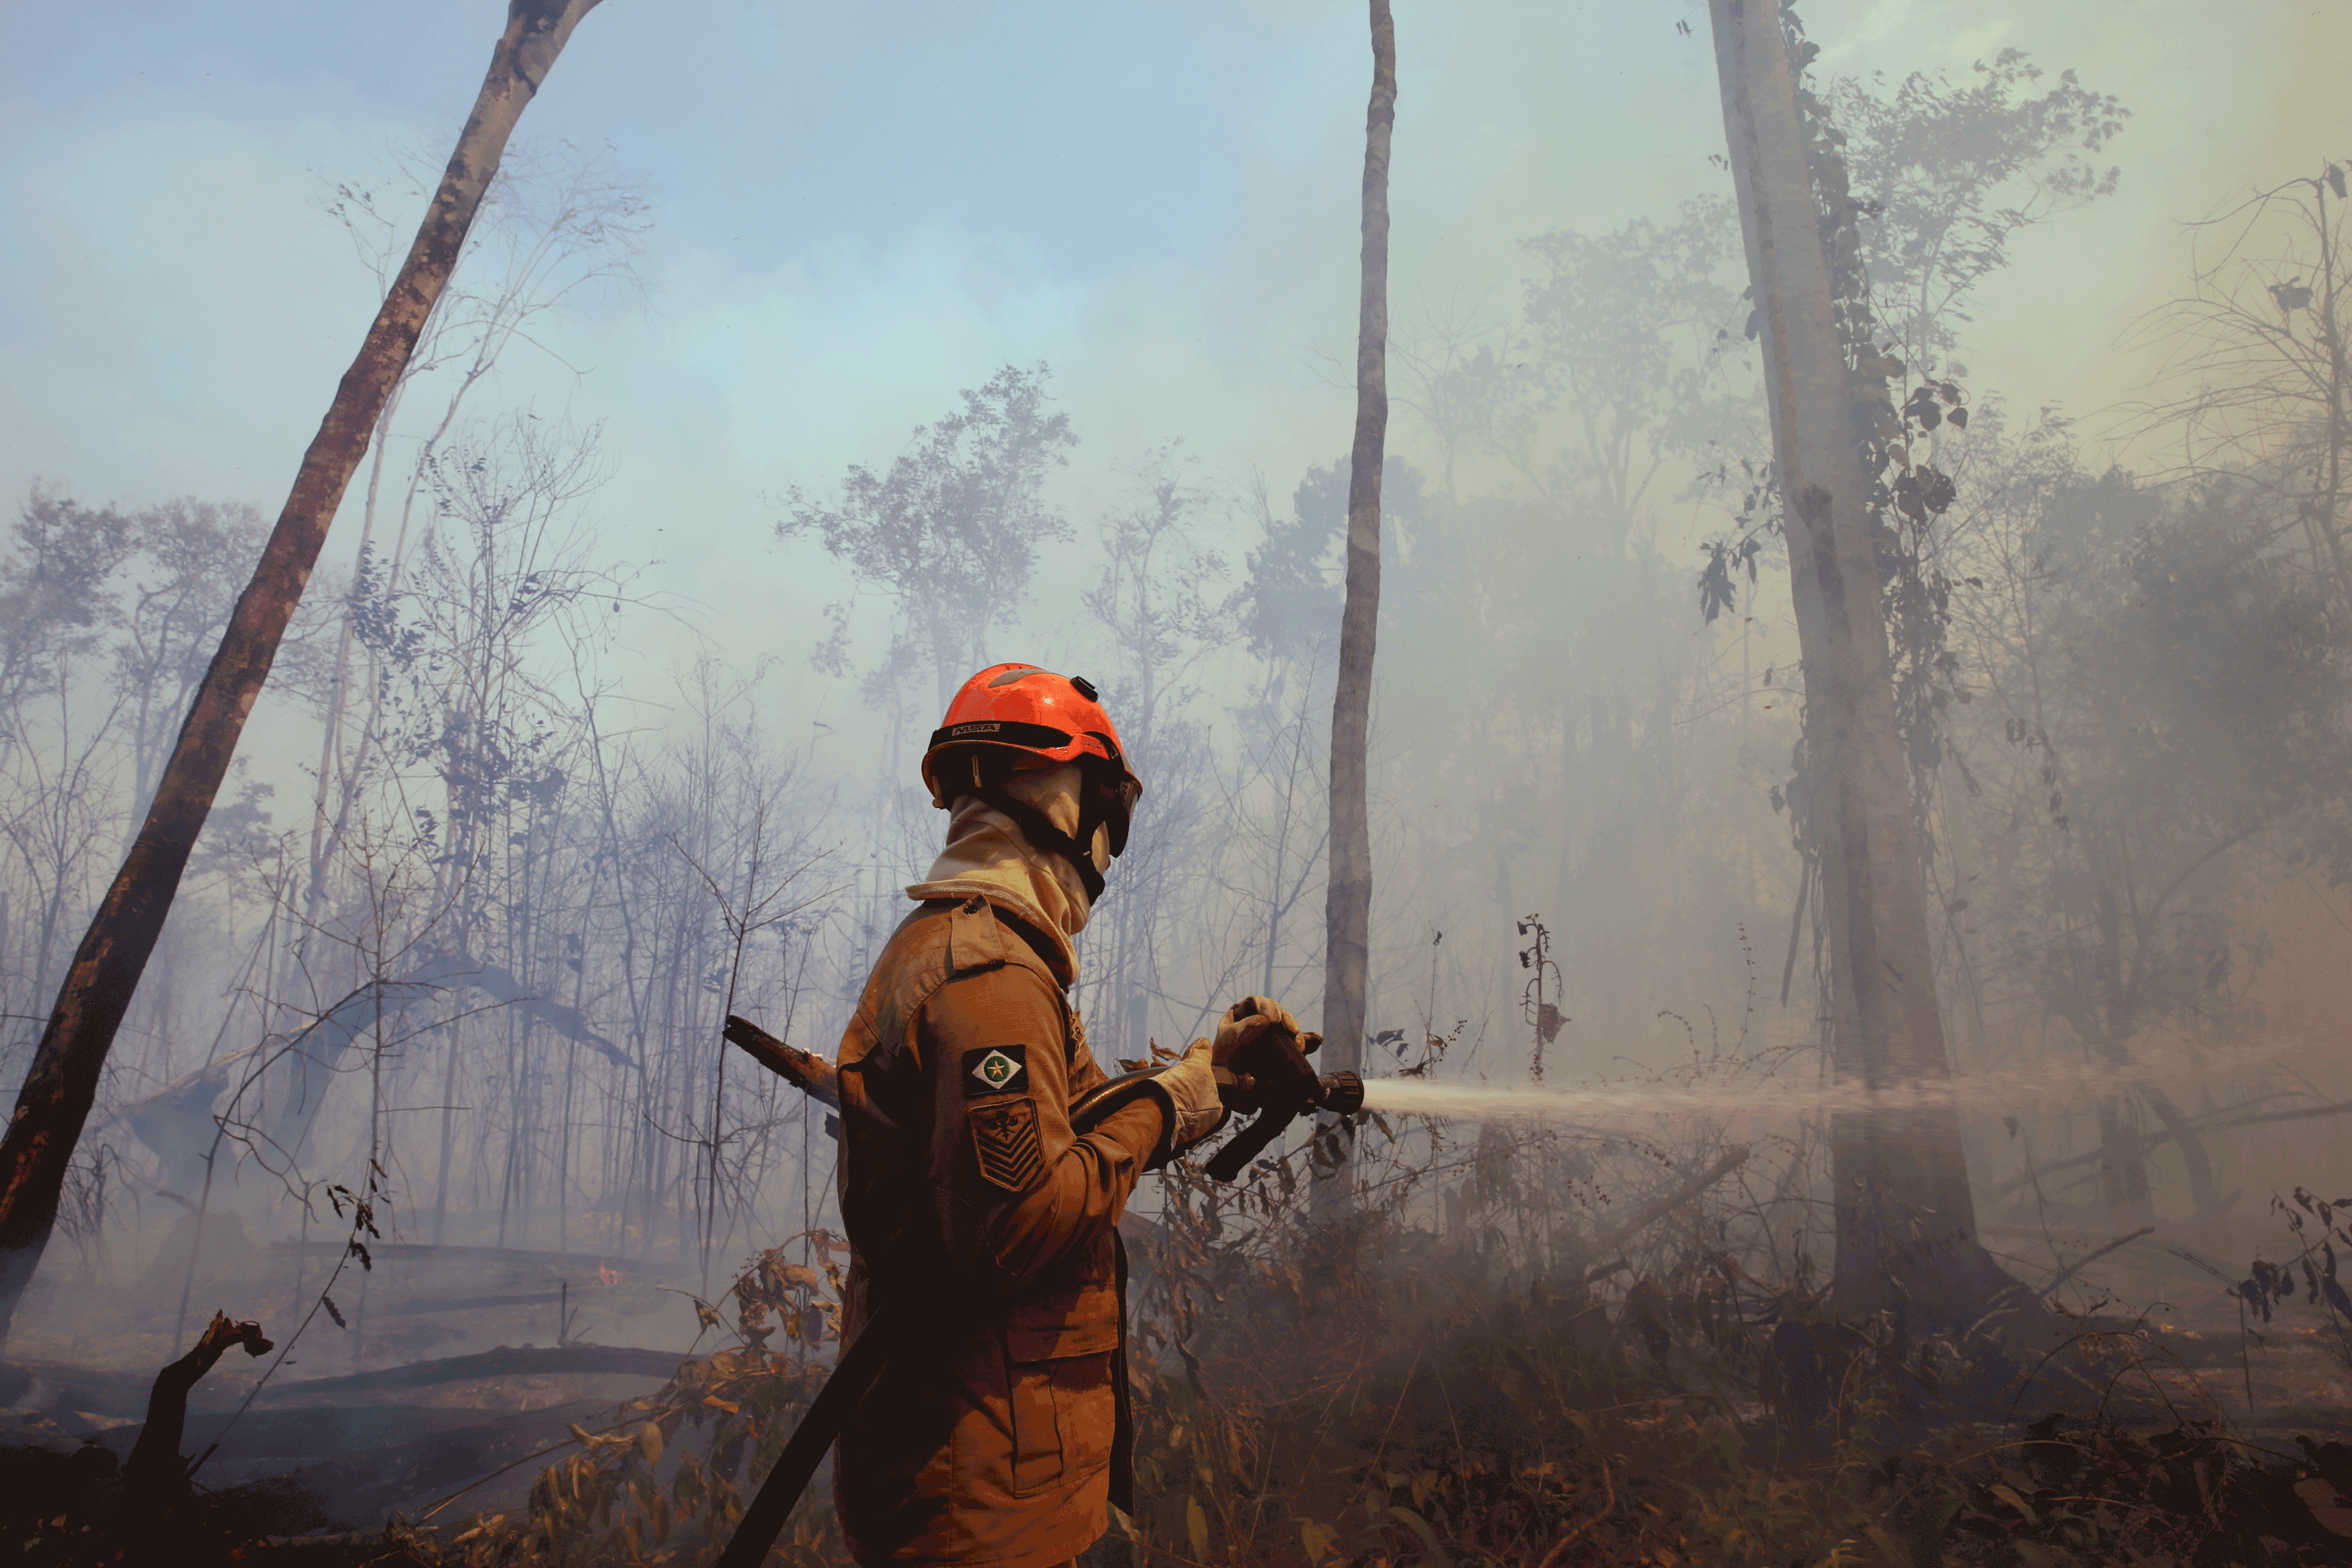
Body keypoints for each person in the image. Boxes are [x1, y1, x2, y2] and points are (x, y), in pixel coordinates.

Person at [828, 662, 1305, 1568]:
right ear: (1059, 798)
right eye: (1105, 811)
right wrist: (1172, 1102)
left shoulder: (970, 952)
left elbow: (1087, 1121)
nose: (1107, 846)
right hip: (982, 1496)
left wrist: (1212, 1077)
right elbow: (1020, 1223)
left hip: (988, 1476)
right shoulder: (994, 984)